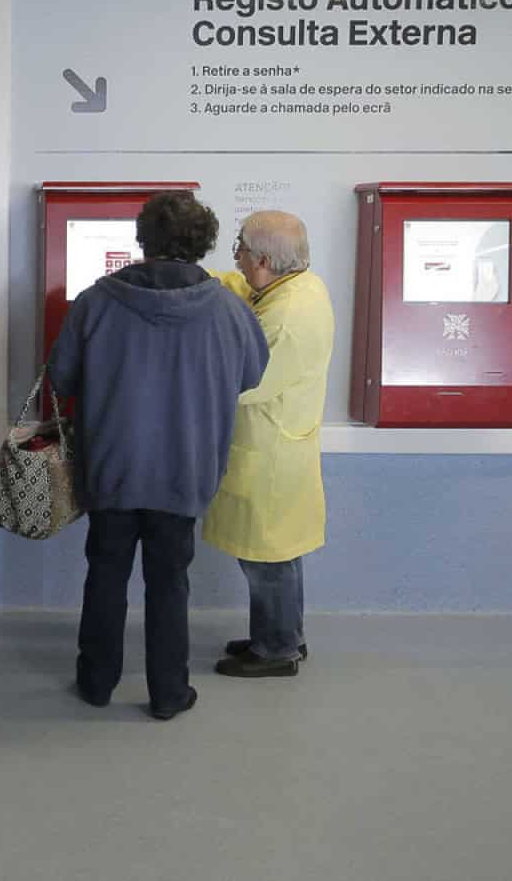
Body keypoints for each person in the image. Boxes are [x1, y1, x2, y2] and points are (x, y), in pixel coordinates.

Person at [46, 190, 268, 721]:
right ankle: (169, 693)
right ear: (203, 244)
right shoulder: (228, 309)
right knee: (170, 583)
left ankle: (97, 681)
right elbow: (253, 374)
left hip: (112, 467)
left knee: (105, 574)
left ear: (142, 240)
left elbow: (60, 377)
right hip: (184, 468)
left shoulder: (97, 302)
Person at [205, 211, 335, 678]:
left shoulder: (286, 316)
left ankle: (275, 650)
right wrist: (193, 276)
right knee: (280, 553)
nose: (234, 256)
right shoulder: (297, 286)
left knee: (267, 561)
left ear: (262, 258)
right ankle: (283, 635)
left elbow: (247, 381)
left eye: (238, 247)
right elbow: (243, 288)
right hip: (283, 445)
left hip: (271, 453)